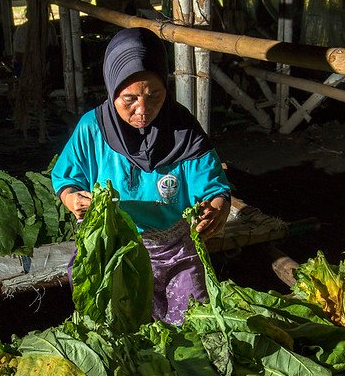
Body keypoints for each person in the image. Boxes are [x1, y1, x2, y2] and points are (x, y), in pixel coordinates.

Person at [51, 27, 232, 326]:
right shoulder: (92, 129)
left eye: (154, 95)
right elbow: (67, 178)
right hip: (110, 252)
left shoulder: (183, 130)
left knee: (194, 325)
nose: (143, 110)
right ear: (112, 90)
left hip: (174, 252)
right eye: (129, 99)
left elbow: (212, 186)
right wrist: (72, 197)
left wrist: (217, 207)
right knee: (115, 328)